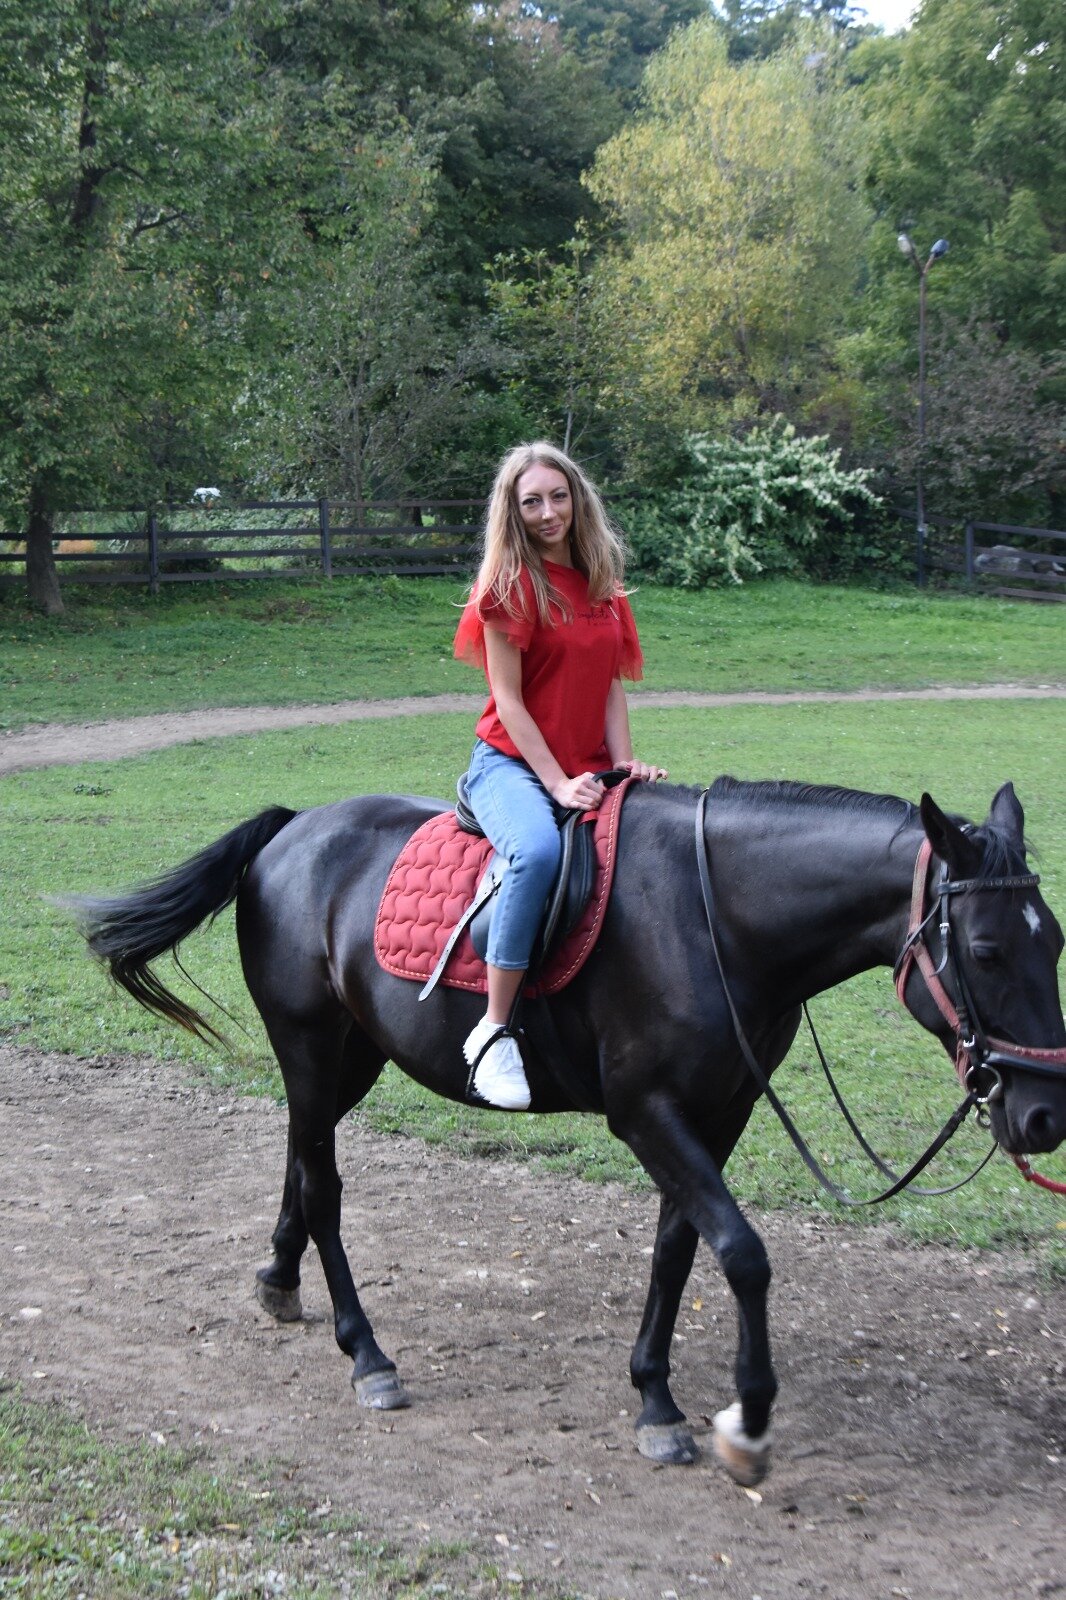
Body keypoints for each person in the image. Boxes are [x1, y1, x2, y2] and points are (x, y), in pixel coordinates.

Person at [453, 441, 667, 1110]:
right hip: (510, 764)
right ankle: (493, 1032)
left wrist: (623, 764)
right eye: (531, 502)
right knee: (538, 852)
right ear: (512, 512)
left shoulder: (603, 584)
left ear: (577, 497)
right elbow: (509, 701)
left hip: (586, 765)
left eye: (558, 496)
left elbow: (610, 686)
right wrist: (554, 784)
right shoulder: (509, 587)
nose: (549, 513)